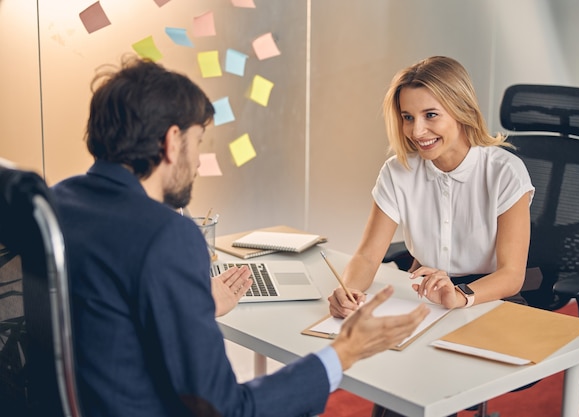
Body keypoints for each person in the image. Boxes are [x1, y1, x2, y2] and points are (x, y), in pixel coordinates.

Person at [51, 56, 430, 417]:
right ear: (171, 141)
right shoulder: (167, 236)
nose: (198, 161)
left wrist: (193, 303)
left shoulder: (55, 205)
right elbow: (225, 409)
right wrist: (344, 352)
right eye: (198, 142)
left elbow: (107, 316)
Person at [326, 56, 535, 416]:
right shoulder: (398, 171)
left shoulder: (504, 172)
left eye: (431, 115)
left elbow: (512, 275)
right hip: (426, 295)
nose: (417, 131)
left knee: (431, 380)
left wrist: (459, 295)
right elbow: (366, 257)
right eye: (408, 117)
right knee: (395, 379)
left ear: (460, 108)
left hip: (487, 298)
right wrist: (350, 293)